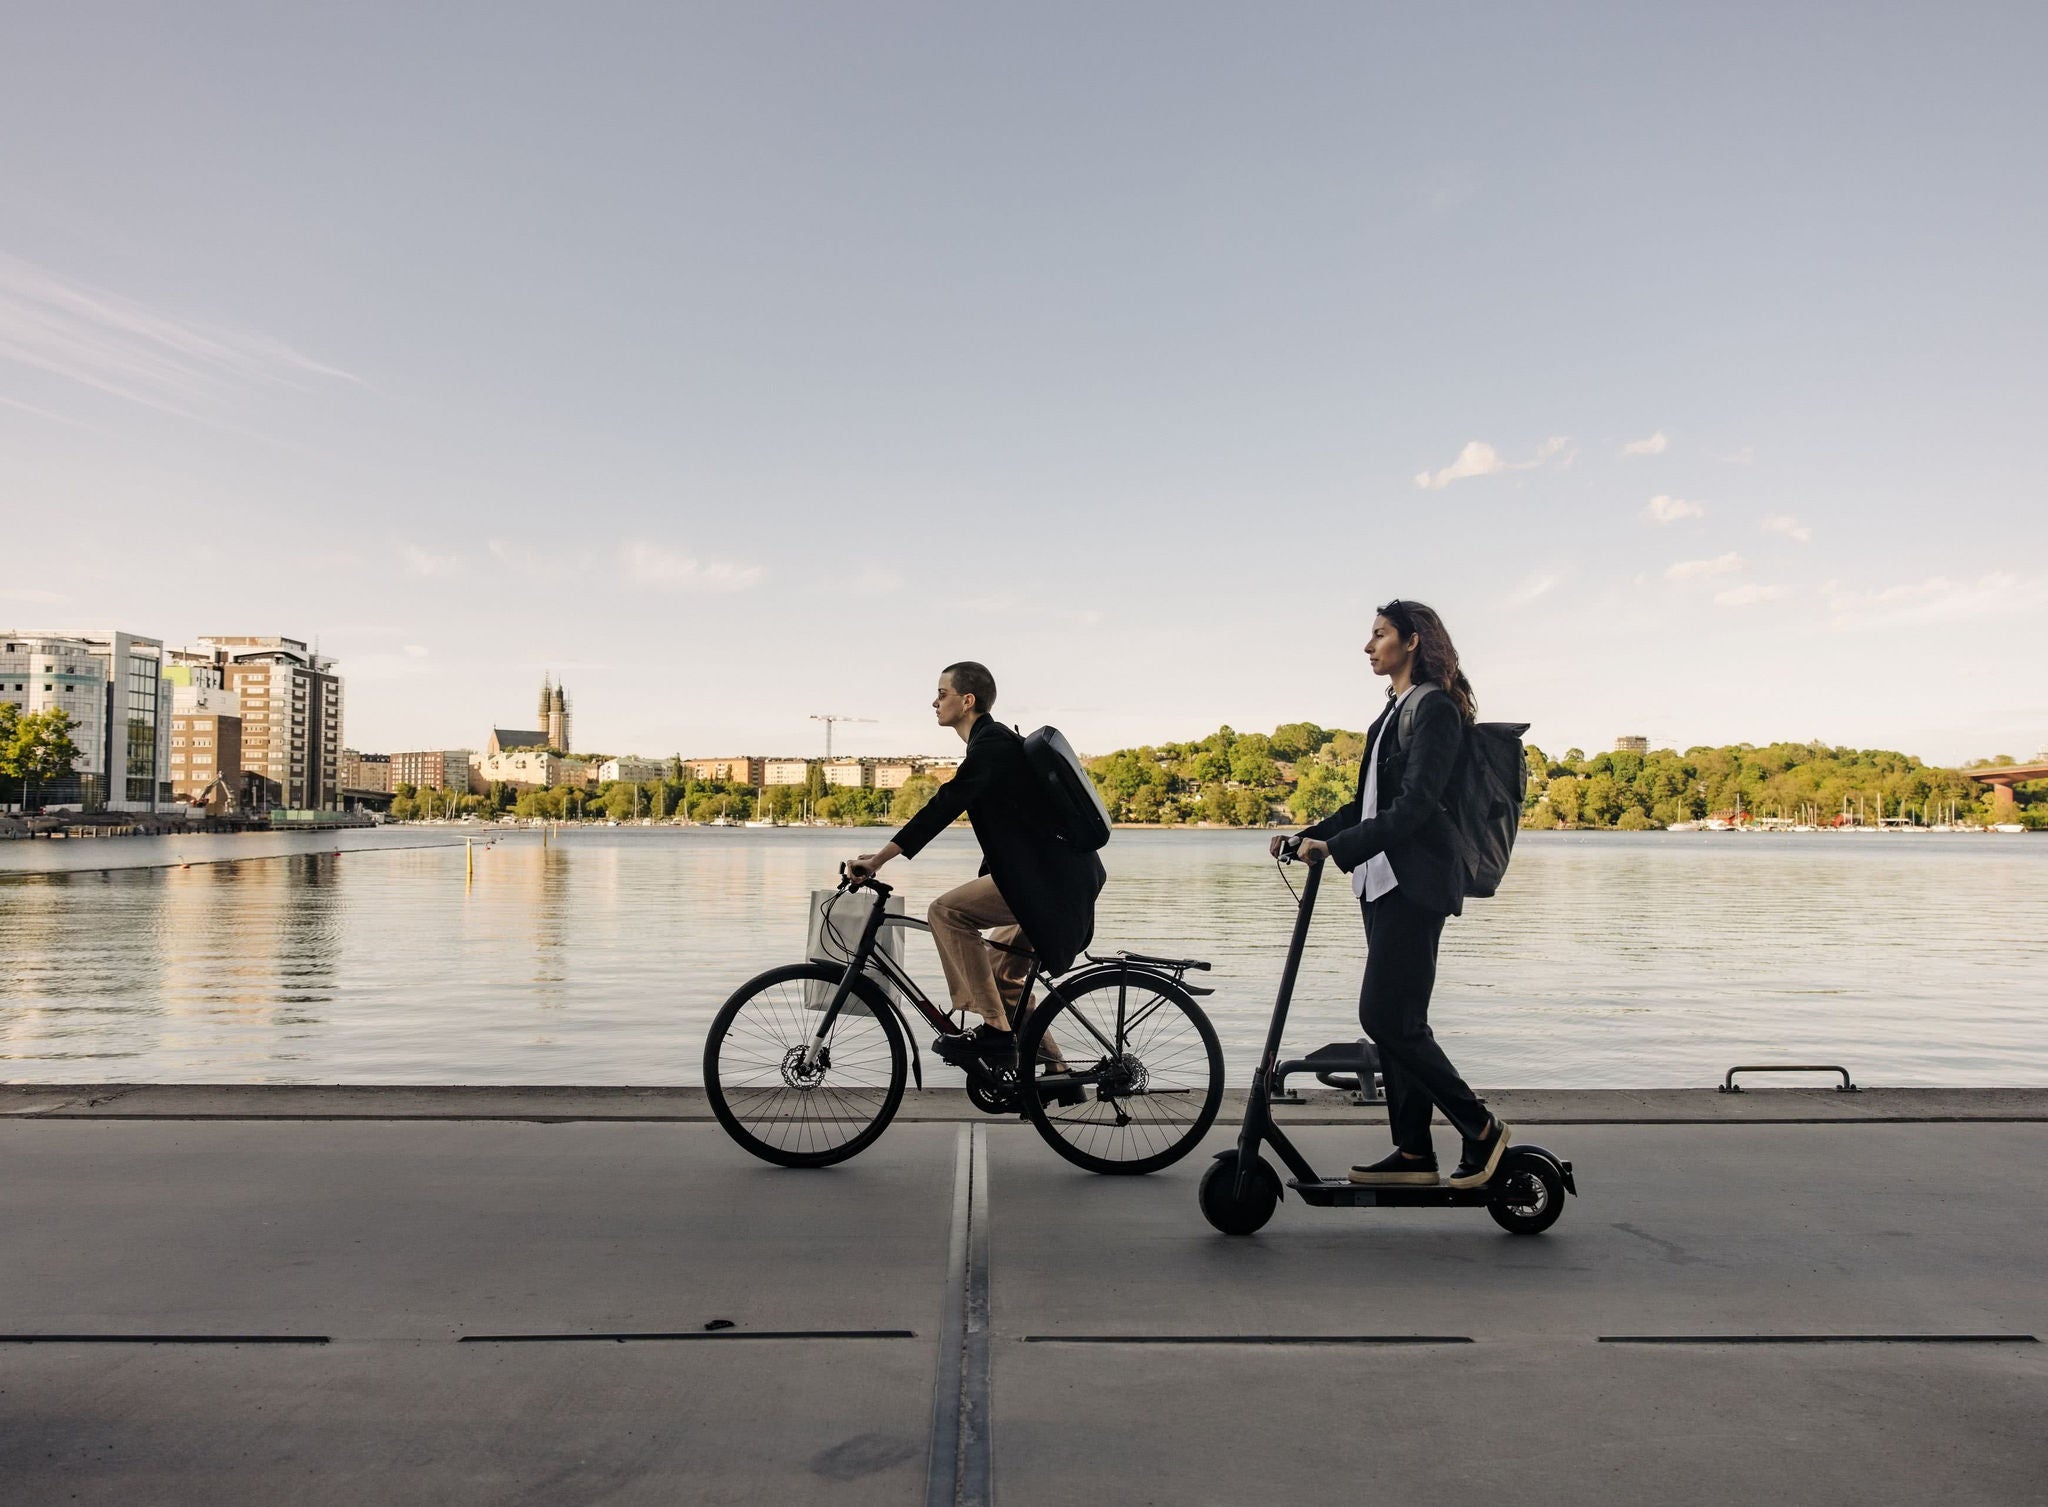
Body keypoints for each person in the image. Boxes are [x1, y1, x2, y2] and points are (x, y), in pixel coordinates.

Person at [1273, 599, 1512, 1191]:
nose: (1368, 645)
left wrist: (1338, 849)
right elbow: (1369, 805)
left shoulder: (1434, 710)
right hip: (1380, 884)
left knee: (1384, 1015)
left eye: (1378, 634)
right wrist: (1310, 836)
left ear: (1411, 641)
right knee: (1398, 1021)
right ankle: (1413, 1153)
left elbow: (1417, 806)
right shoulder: (1391, 714)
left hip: (1417, 883)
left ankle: (1480, 1129)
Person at [850, 662, 1105, 1073]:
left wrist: (877, 860)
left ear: (967, 701)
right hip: (1059, 879)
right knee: (999, 974)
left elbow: (945, 804)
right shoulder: (994, 745)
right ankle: (1057, 1073)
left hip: (1048, 884)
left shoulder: (992, 747)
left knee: (946, 912)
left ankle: (996, 1033)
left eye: (942, 693)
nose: (935, 702)